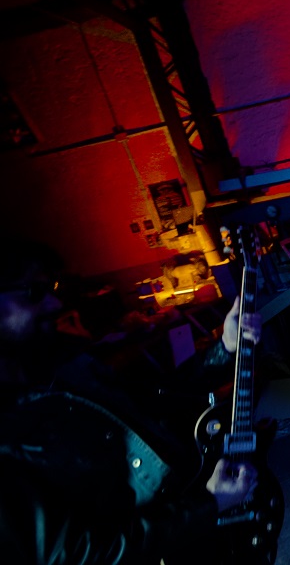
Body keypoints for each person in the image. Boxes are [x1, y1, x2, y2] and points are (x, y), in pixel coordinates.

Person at [0, 241, 261, 564]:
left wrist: (226, 346)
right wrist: (211, 504)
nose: (55, 303)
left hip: (197, 522)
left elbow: (154, 395)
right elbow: (80, 554)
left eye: (51, 288)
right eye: (33, 292)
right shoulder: (8, 433)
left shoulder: (63, 359)